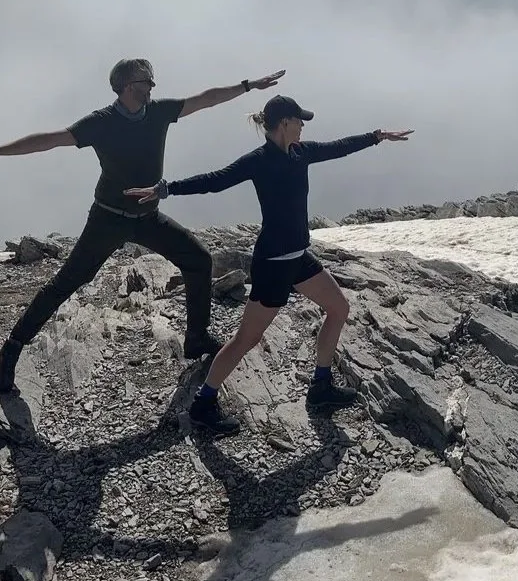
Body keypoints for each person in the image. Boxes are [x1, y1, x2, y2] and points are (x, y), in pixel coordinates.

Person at [0, 59, 285, 395]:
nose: (153, 86)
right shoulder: (102, 122)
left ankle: (196, 338)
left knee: (198, 259)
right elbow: (50, 140)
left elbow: (206, 98)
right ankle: (11, 348)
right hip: (107, 219)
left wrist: (247, 86)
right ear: (127, 85)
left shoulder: (158, 112)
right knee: (68, 281)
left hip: (148, 217)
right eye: (147, 81)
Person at [128, 94, 410, 435]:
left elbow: (339, 147)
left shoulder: (300, 153)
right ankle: (203, 405)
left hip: (298, 257)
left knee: (338, 308)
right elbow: (216, 180)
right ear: (284, 124)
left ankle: (321, 388)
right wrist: (167, 189)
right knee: (247, 338)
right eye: (299, 120)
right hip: (273, 264)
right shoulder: (259, 161)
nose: (304, 126)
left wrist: (377, 135)